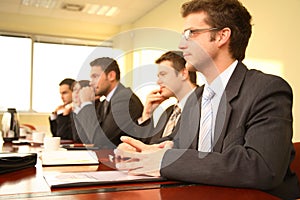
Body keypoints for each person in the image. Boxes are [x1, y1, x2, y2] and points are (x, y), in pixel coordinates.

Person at [114, 0, 300, 199]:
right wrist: (149, 151)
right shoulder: (196, 97)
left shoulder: (267, 90)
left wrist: (165, 159)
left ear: (222, 36)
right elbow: (187, 152)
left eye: (191, 33)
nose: (181, 44)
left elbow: (261, 167)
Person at [73, 57, 144, 149]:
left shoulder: (125, 100)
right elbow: (86, 138)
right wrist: (81, 106)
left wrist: (86, 104)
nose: (91, 83)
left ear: (111, 76)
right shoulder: (105, 102)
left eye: (95, 76)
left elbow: (100, 140)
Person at [137, 50, 199, 145]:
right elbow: (148, 147)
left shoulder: (203, 105)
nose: (158, 82)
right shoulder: (168, 112)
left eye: (163, 74)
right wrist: (147, 114)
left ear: (183, 74)